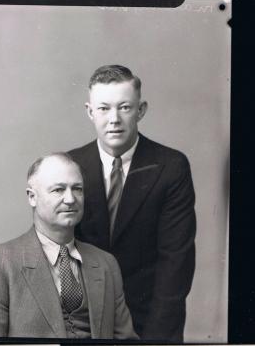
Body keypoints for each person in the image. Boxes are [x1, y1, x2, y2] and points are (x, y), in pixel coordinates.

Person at [68, 65, 196, 342]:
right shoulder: (70, 166)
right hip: (82, 320)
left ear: (141, 110)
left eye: (124, 107)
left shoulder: (171, 167)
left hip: (151, 319)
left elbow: (176, 261)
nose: (114, 119)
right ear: (90, 112)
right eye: (104, 109)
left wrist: (155, 338)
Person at [0, 153, 137, 340]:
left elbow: (126, 342)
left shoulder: (105, 263)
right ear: (32, 197)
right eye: (58, 190)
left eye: (77, 189)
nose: (71, 199)